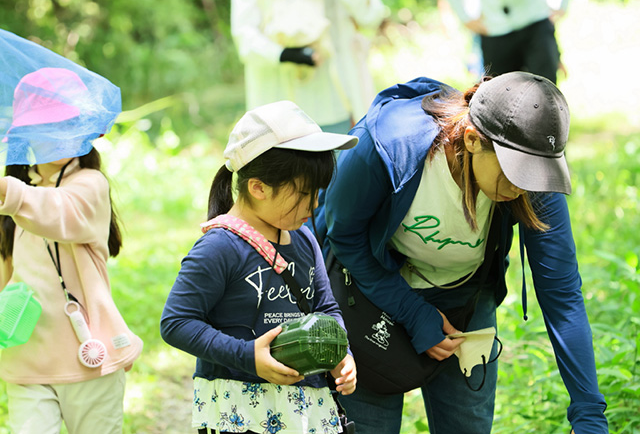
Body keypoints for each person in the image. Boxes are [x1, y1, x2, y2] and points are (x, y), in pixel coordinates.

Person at [314, 72, 608, 433]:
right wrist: (413, 312)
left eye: (533, 175)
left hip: (465, 302)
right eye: (514, 174)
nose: (522, 188)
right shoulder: (387, 145)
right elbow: (344, 237)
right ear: (472, 140)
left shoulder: (533, 175)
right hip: (371, 293)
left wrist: (589, 411)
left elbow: (561, 295)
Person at [160, 100, 358, 434]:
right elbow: (176, 322)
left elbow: (325, 308)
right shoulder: (220, 246)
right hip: (240, 411)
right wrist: (247, 355)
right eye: (304, 194)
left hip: (304, 409)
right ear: (258, 187)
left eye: (318, 193)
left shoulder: (304, 239)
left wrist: (343, 353)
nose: (314, 206)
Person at [0, 68, 143, 433]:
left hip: (89, 359)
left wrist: (9, 194)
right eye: (44, 129)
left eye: (64, 126)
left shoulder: (88, 185)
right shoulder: (16, 199)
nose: (55, 138)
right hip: (26, 360)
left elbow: (57, 211)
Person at [231, 0, 385, 133]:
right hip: (280, 111)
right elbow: (244, 38)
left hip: (335, 102)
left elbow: (371, 15)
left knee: (340, 157)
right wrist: (283, 54)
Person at [427, 0, 577, 83]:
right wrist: (464, 17)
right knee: (498, 104)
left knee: (546, 95)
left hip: (536, 21)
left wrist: (564, 3)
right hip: (495, 29)